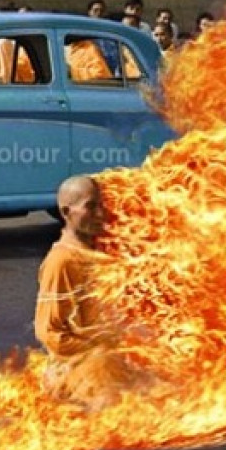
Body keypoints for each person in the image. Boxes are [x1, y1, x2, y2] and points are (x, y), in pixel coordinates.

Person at [34, 174, 149, 407]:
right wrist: (98, 351)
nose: (100, 214)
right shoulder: (62, 261)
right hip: (80, 374)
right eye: (90, 207)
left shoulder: (95, 250)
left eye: (101, 205)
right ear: (66, 213)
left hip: (107, 365)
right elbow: (50, 333)